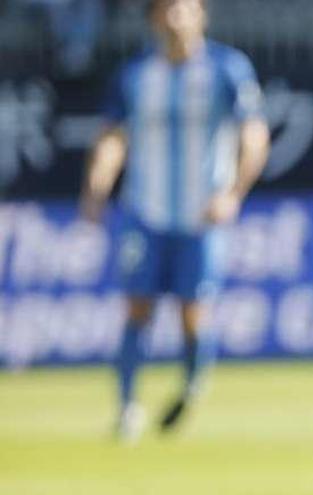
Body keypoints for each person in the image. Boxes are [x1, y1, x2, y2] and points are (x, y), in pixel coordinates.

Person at [80, 0, 270, 441]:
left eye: (182, 8)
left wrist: (233, 194)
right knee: (136, 306)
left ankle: (190, 386)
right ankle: (127, 408)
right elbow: (112, 138)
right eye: (165, 10)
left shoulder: (227, 69)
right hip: (144, 211)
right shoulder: (134, 76)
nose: (174, 18)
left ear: (200, 14)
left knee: (192, 314)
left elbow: (254, 136)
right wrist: (96, 186)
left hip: (201, 216)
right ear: (152, 19)